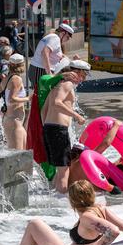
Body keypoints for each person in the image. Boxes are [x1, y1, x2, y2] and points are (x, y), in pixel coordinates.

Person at [41, 60, 88, 193]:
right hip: (57, 129)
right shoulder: (67, 84)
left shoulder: (56, 85)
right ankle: (62, 204)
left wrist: (46, 127)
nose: (83, 80)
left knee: (60, 169)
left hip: (50, 128)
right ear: (76, 72)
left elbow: (43, 110)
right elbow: (57, 103)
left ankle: (56, 200)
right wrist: (76, 116)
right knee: (64, 170)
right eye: (83, 76)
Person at [0, 54, 32, 150]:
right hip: (15, 122)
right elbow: (12, 99)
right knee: (18, 157)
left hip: (11, 120)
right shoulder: (16, 79)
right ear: (22, 65)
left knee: (23, 155)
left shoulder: (7, 78)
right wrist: (28, 98)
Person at [28, 23, 75, 90]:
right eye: (67, 37)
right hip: (40, 70)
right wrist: (49, 73)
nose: (67, 40)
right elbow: (44, 52)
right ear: (63, 33)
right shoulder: (55, 38)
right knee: (43, 96)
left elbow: (53, 54)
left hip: (37, 69)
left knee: (42, 95)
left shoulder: (52, 37)